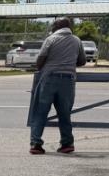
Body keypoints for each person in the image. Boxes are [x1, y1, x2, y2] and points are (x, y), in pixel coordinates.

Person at [27, 17, 86, 155]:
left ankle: (36, 143)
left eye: (54, 24)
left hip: (49, 78)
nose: (52, 26)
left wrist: (45, 65)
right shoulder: (77, 40)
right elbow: (82, 61)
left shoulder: (51, 39)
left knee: (40, 112)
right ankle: (66, 143)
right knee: (65, 113)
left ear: (58, 26)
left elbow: (40, 60)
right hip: (68, 80)